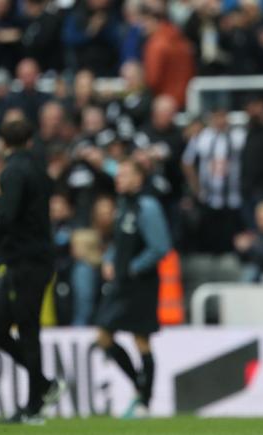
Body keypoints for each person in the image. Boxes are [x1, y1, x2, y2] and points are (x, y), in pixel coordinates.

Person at [0, 120, 65, 424]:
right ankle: (44, 386)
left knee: (27, 330)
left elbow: (7, 216)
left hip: (26, 261)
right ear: (30, 141)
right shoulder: (40, 173)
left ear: (3, 145)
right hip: (32, 260)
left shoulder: (13, 173)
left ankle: (33, 408)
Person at [95, 159, 171, 419]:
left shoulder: (147, 207)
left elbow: (160, 247)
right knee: (103, 337)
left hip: (142, 284)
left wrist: (133, 268)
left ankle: (144, 402)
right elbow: (120, 242)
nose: (119, 179)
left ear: (139, 178)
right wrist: (109, 260)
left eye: (125, 174)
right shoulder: (125, 205)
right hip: (122, 284)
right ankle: (140, 387)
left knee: (141, 340)